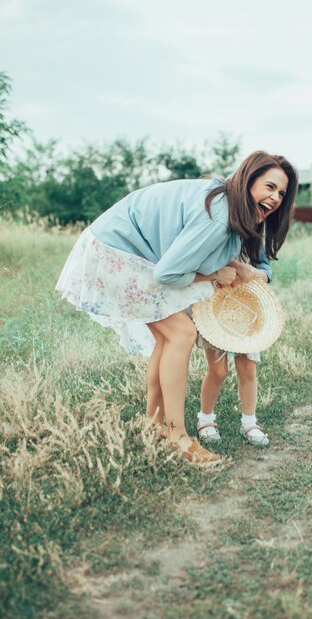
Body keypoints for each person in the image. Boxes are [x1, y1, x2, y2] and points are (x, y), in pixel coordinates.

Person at [55, 151, 298, 466]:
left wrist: (235, 266)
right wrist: (214, 274)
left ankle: (154, 427)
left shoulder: (225, 203)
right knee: (181, 332)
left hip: (124, 249)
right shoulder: (220, 213)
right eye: (269, 186)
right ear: (247, 180)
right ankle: (178, 437)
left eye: (281, 193)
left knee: (169, 336)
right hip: (115, 249)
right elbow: (168, 274)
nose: (276, 197)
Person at [196, 256, 272, 447]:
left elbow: (266, 269)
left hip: (247, 309)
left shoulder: (255, 236)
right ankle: (205, 418)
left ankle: (249, 422)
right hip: (218, 306)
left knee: (248, 369)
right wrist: (235, 266)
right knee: (218, 370)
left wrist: (255, 273)